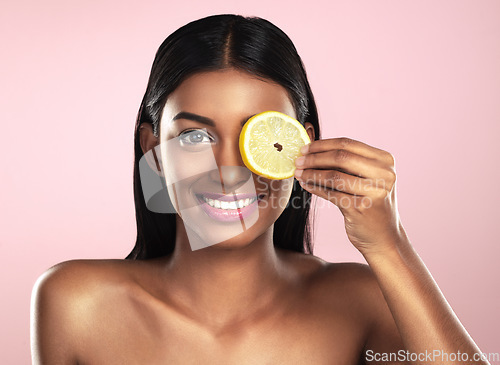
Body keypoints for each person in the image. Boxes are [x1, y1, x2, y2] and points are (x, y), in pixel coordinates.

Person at [31, 14, 490, 364]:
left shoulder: (360, 301)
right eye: (196, 136)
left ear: (301, 145)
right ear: (152, 147)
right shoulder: (77, 302)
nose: (230, 169)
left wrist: (389, 245)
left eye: (260, 138)